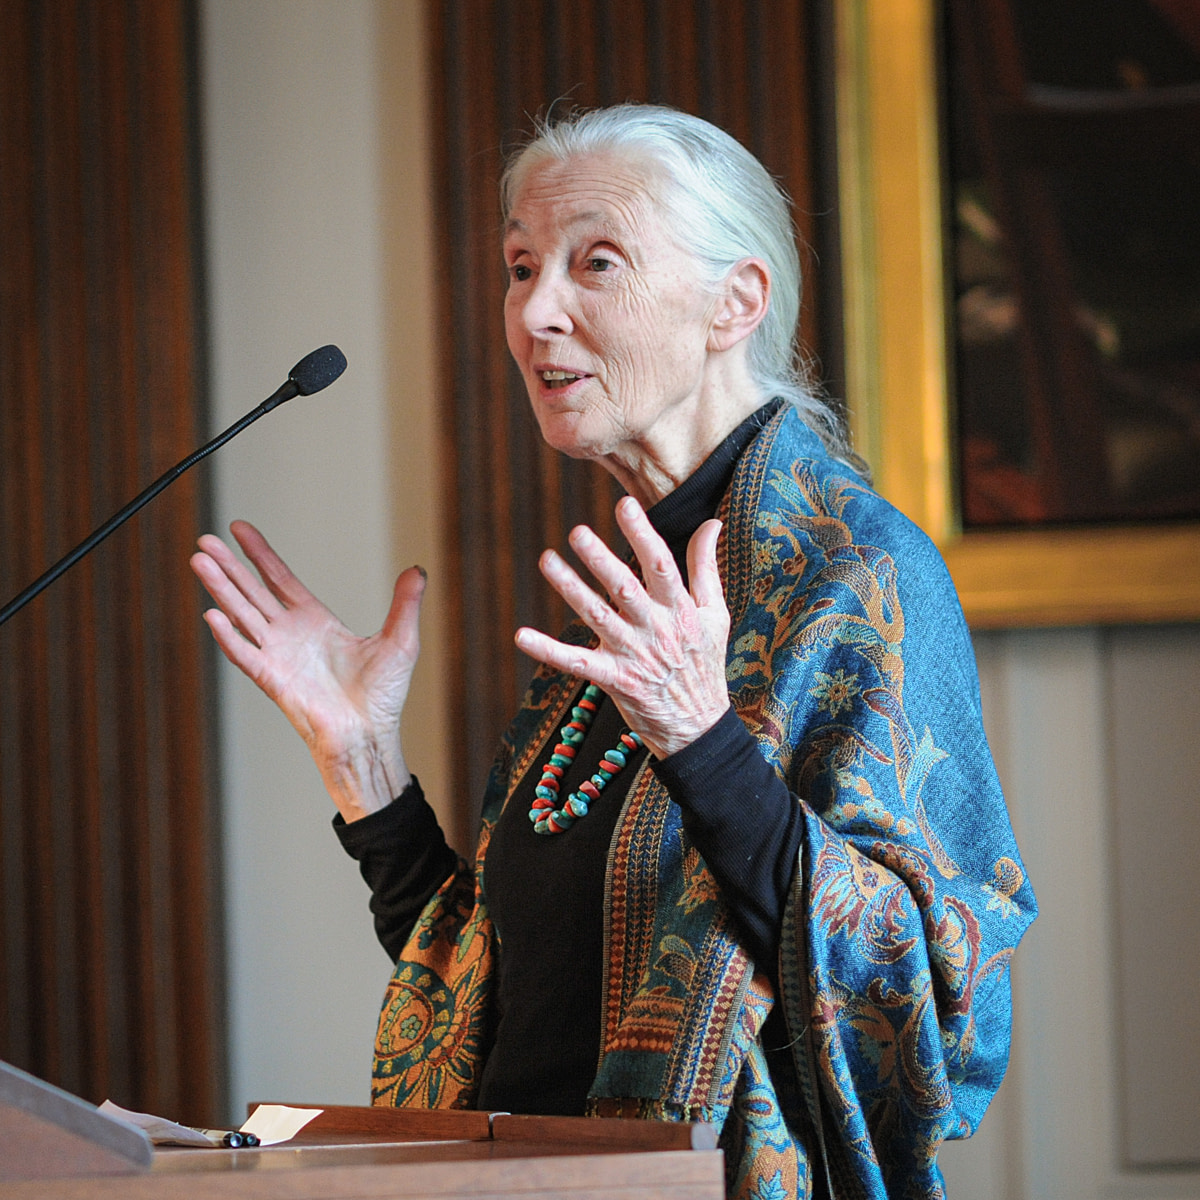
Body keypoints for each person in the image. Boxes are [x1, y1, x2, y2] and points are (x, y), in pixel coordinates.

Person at [191, 104, 1036, 1200]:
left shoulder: (860, 575)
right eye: (520, 266)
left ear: (736, 301)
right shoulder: (641, 588)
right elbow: (498, 997)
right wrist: (364, 768)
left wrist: (703, 741)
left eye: (595, 263)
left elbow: (931, 1006)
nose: (536, 311)